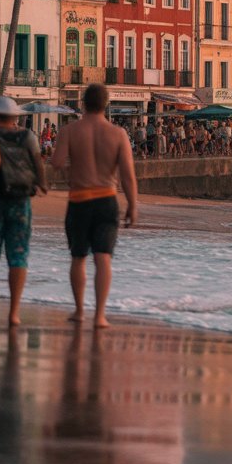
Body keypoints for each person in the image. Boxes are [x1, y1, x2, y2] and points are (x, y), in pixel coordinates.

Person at [51, 83, 138, 328]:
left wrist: (70, 171)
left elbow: (56, 162)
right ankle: (100, 315)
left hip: (79, 200)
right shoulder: (118, 134)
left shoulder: (70, 130)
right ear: (105, 104)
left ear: (83, 104)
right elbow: (128, 175)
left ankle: (80, 311)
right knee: (103, 258)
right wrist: (133, 205)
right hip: (106, 200)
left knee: (78, 257)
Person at [0, 96, 48, 327]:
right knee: (18, 255)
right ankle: (14, 312)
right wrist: (42, 184)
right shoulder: (27, 136)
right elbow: (37, 163)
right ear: (14, 117)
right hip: (20, 200)